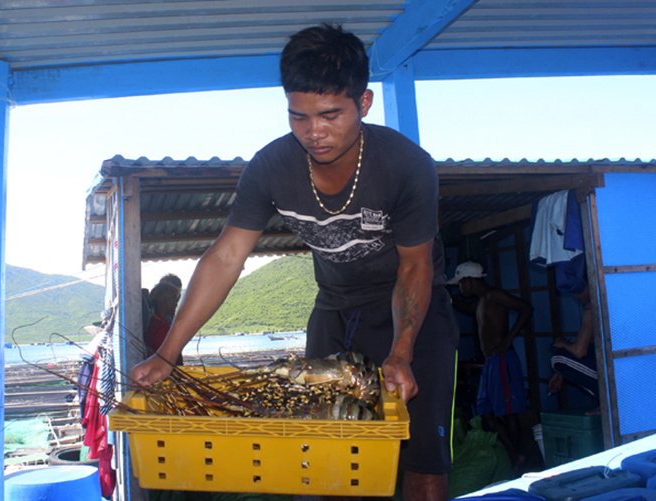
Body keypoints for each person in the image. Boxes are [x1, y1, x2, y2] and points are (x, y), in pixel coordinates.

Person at [132, 24, 460, 500]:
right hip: (333, 310)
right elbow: (225, 257)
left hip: (414, 313)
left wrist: (401, 352)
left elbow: (416, 267)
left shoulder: (406, 165)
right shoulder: (271, 168)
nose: (315, 133)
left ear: (363, 104)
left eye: (331, 115)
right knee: (324, 458)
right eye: (299, 117)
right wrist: (167, 353)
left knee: (424, 465)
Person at [448, 261, 534, 474]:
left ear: (470, 280)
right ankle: (515, 453)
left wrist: (508, 339)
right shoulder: (480, 302)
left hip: (503, 358)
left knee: (509, 412)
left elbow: (526, 308)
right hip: (491, 363)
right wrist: (445, 295)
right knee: (485, 411)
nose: (460, 288)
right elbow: (465, 307)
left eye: (460, 284)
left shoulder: (494, 295)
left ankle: (516, 457)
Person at [548, 282, 599, 409]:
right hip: (624, 362)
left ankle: (605, 401)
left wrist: (562, 343)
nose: (575, 296)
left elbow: (579, 351)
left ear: (588, 283)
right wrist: (561, 373)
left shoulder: (592, 305)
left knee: (558, 359)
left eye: (577, 290)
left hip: (616, 368)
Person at [143, 281, 182, 362]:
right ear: (164, 301)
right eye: (174, 301)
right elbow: (169, 358)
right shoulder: (161, 328)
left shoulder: (152, 321)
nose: (176, 305)